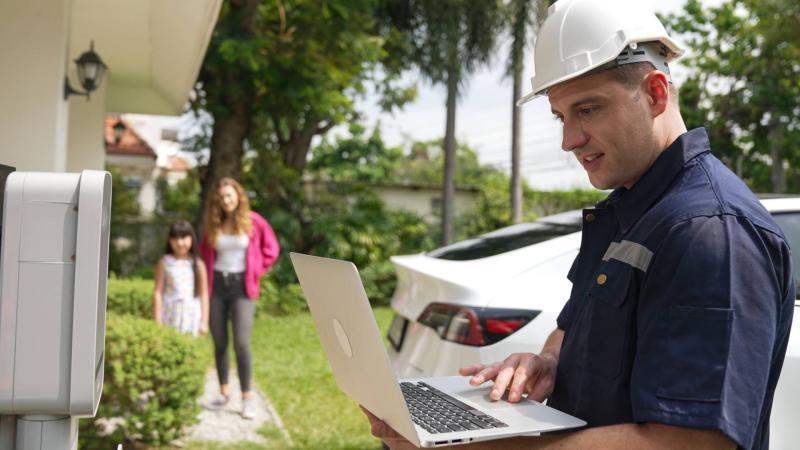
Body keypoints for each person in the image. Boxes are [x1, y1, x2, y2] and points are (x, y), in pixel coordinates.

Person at [364, 0, 795, 449]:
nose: (570, 140)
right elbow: (574, 328)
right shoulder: (629, 210)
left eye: (588, 110)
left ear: (655, 93)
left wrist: (477, 447)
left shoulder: (710, 232)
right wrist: (549, 360)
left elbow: (692, 442)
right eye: (562, 116)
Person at [199, 177, 280, 419]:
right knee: (220, 341)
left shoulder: (254, 221)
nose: (226, 201)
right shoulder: (213, 223)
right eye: (222, 197)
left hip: (242, 288)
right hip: (217, 287)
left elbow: (272, 249)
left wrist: (257, 270)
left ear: (238, 196)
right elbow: (204, 255)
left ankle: (246, 397)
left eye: (230, 196)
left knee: (241, 343)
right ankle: (224, 393)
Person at [153, 220, 209, 337]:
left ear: (191, 239)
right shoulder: (164, 262)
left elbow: (204, 294)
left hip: (192, 315)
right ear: (170, 240)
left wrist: (204, 322)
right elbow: (158, 292)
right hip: (169, 313)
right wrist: (157, 319)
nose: (180, 243)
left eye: (184, 238)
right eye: (175, 238)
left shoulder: (198, 264)